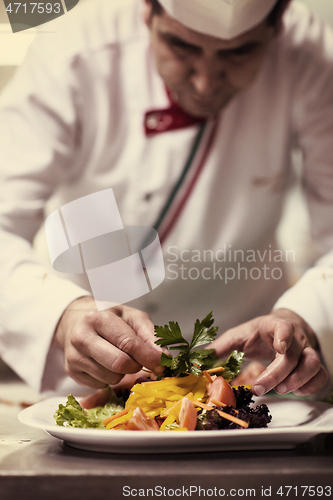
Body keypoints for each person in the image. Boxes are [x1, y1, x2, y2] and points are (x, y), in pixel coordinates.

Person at [0, 0, 332, 398]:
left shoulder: (312, 59)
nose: (205, 83)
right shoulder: (73, 50)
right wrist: (64, 315)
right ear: (148, 12)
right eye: (182, 46)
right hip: (92, 369)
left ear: (278, 22)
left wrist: (303, 316)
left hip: (251, 372)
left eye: (239, 51)